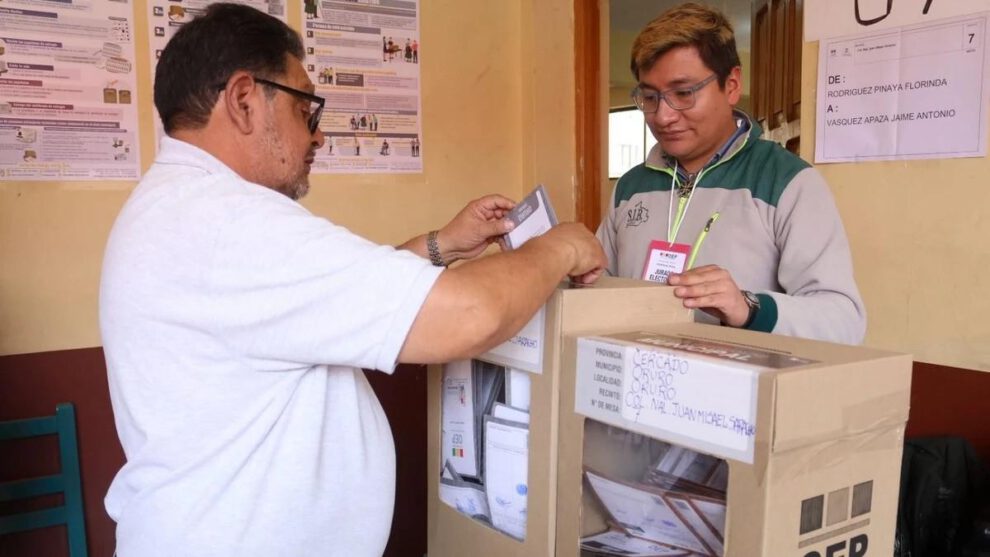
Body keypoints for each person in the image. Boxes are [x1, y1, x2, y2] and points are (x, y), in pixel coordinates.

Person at [99, 4, 605, 557]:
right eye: (305, 108)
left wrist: (442, 245)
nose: (317, 136)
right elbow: (471, 315)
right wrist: (559, 246)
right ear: (244, 100)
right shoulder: (230, 222)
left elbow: (320, 304)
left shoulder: (175, 207)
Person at [597, 2, 865, 345]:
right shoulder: (631, 187)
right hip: (637, 373)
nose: (663, 116)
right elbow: (599, 289)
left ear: (732, 85)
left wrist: (749, 308)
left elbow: (845, 322)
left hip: (742, 378)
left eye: (684, 93)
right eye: (650, 97)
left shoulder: (787, 182)